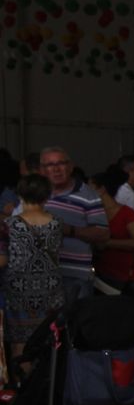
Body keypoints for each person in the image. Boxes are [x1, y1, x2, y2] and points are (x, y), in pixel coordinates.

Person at [1, 174, 64, 362]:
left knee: (20, 342)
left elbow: (4, 259)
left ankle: (24, 384)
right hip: (51, 289)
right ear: (47, 195)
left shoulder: (9, 225)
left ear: (20, 194)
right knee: (49, 338)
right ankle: (46, 384)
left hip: (18, 290)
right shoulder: (57, 223)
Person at [39, 146, 108, 307]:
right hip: (41, 276)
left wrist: (68, 230)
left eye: (61, 163)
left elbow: (103, 235)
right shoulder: (34, 193)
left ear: (70, 167)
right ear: (41, 170)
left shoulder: (88, 195)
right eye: (50, 165)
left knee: (77, 326)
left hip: (76, 276)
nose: (56, 169)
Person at [87, 171, 134, 291]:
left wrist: (107, 242)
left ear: (102, 189)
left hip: (125, 277)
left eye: (90, 187)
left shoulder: (126, 213)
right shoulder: (93, 213)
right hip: (102, 275)